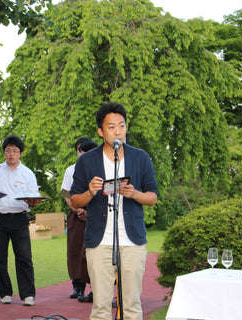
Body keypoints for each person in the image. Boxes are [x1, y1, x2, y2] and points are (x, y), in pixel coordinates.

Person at [70, 102, 158, 320]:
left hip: (132, 242)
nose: (118, 131)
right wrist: (90, 192)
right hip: (99, 242)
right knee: (100, 307)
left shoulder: (141, 158)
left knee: (131, 306)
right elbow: (75, 200)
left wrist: (134, 194)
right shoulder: (87, 161)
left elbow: (152, 197)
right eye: (111, 127)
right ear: (101, 131)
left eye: (121, 125)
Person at [0, 134, 42, 306]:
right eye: (7, 150)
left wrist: (33, 201)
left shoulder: (28, 173)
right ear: (4, 152)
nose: (11, 154)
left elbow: (33, 196)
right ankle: (4, 293)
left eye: (14, 151)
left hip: (19, 219)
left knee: (24, 257)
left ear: (20, 153)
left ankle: (28, 295)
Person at [60, 138, 97, 302]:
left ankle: (96, 290)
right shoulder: (71, 170)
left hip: (95, 214)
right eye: (79, 151)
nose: (82, 155)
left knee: (94, 253)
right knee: (75, 249)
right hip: (76, 213)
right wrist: (77, 209)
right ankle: (78, 286)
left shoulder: (99, 168)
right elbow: (66, 193)